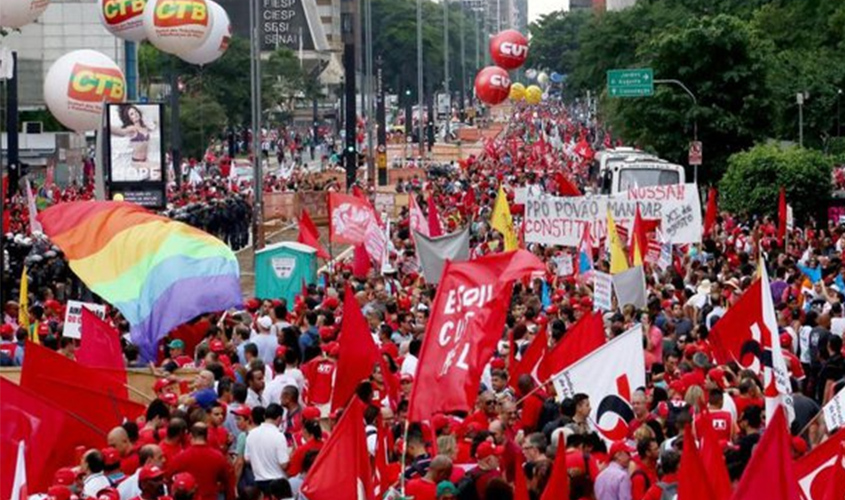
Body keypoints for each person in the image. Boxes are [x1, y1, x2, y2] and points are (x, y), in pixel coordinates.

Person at [167, 423, 235, 500]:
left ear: (190, 436)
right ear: (207, 436)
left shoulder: (180, 457)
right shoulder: (218, 457)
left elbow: (169, 478)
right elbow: (228, 482)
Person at [244, 403, 290, 491]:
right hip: (277, 483)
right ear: (279, 418)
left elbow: (247, 458)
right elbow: (283, 464)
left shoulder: (251, 434)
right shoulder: (278, 436)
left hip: (259, 482)